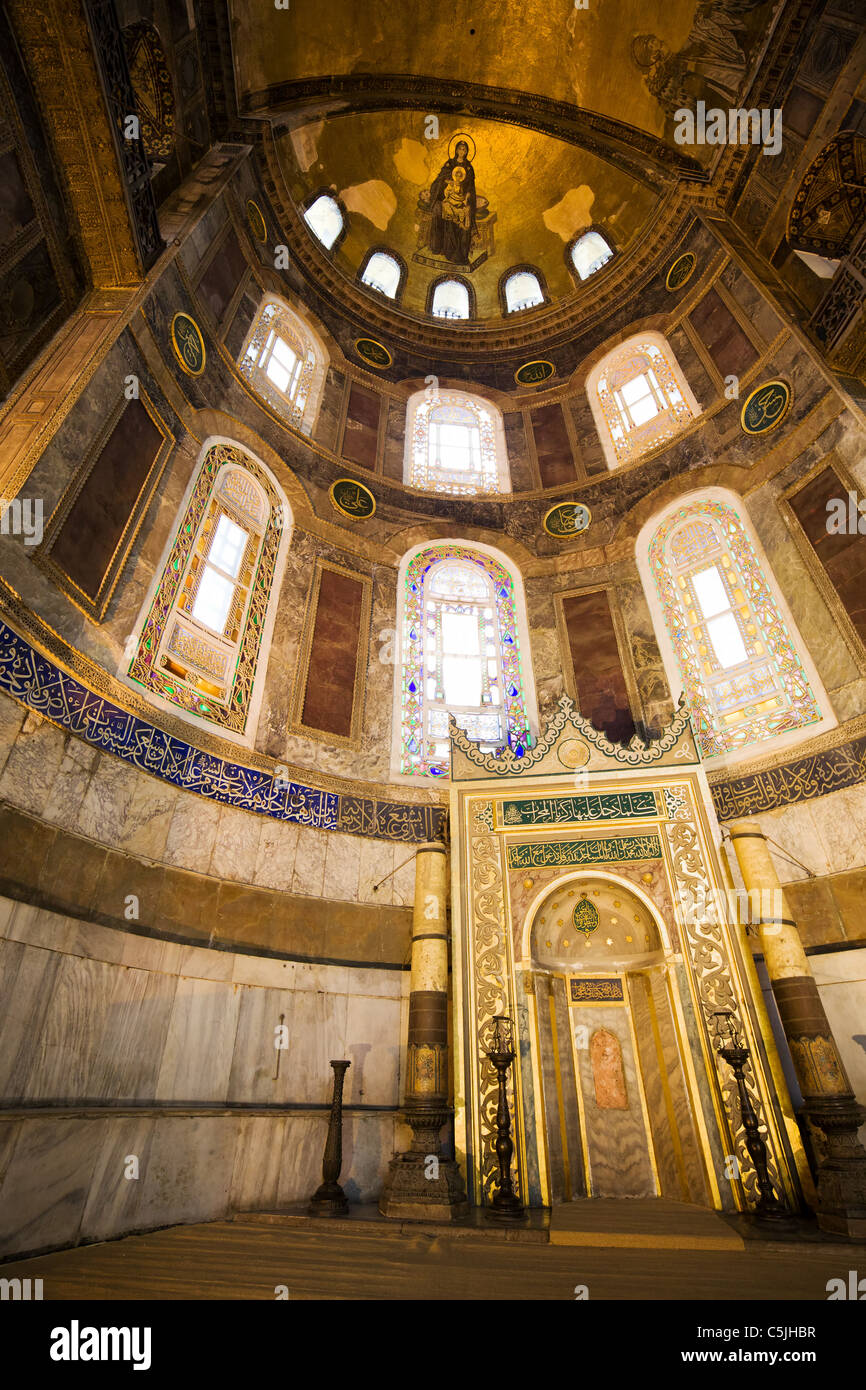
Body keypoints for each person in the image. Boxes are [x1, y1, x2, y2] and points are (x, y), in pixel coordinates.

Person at [423, 140, 477, 264]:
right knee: (439, 210)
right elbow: (440, 180)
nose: (462, 152)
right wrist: (449, 184)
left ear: (467, 152)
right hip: (447, 198)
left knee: (465, 216)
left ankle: (459, 254)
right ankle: (440, 247)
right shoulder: (450, 164)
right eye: (460, 149)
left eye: (464, 150)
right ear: (456, 150)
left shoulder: (469, 167)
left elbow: (470, 187)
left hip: (461, 200)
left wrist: (467, 197)